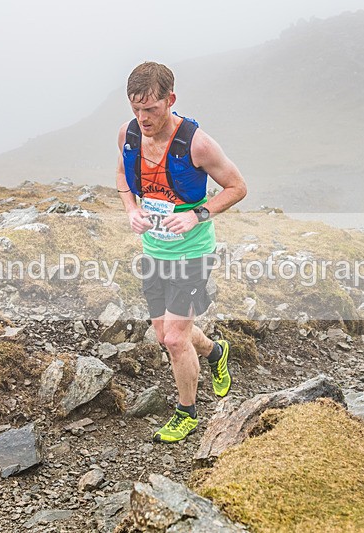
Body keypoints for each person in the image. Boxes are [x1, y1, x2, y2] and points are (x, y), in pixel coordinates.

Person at [115, 62, 247, 443]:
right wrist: (131, 209)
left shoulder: (196, 144)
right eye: (136, 109)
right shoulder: (129, 135)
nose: (143, 118)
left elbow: (237, 187)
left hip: (192, 253)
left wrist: (197, 215)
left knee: (174, 339)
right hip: (155, 251)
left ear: (170, 100)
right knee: (165, 334)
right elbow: (122, 176)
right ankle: (216, 352)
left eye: (151, 109)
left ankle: (187, 413)